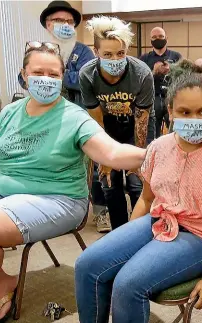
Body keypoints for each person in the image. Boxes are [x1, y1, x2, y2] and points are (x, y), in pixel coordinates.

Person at [74, 60, 202, 323]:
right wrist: (130, 242)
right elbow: (147, 198)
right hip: (160, 220)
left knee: (128, 284)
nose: (194, 120)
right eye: (185, 112)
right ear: (170, 112)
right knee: (87, 265)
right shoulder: (159, 147)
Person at [0, 44, 146, 322]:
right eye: (38, 72)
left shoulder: (74, 117)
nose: (45, 79)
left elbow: (111, 152)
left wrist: (157, 154)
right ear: (24, 75)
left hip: (56, 198)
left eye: (53, 74)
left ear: (62, 77)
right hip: (2, 190)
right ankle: (2, 279)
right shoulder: (9, 114)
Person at [80, 16, 155, 232]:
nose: (115, 59)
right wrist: (104, 157)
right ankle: (119, 233)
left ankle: (141, 232)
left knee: (136, 181)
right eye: (108, 54)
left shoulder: (141, 74)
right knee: (109, 181)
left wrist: (138, 159)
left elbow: (142, 119)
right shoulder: (88, 75)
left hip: (136, 127)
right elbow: (96, 118)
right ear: (96, 53)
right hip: (106, 128)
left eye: (120, 53)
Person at [17, 0, 95, 107]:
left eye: (70, 21)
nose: (66, 24)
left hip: (74, 111)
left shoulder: (83, 51)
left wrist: (49, 75)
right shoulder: (37, 50)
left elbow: (87, 80)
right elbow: (23, 79)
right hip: (43, 110)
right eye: (59, 20)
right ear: (48, 24)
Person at [140, 27, 182, 137]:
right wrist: (154, 71)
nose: (157, 39)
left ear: (166, 38)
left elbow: (184, 77)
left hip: (172, 98)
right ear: (150, 40)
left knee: (175, 131)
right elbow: (139, 80)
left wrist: (171, 70)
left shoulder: (176, 56)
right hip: (153, 98)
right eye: (154, 37)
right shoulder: (144, 58)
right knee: (153, 131)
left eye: (160, 37)